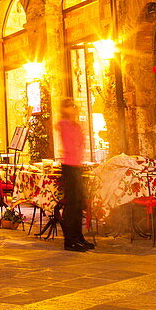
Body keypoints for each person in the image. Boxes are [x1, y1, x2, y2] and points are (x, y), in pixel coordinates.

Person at [56, 97, 94, 252]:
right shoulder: (63, 124)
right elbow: (71, 145)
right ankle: (69, 240)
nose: (73, 108)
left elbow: (81, 143)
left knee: (79, 203)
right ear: (64, 109)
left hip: (77, 166)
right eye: (69, 106)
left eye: (73, 105)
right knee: (72, 204)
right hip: (69, 166)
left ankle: (78, 237)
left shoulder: (76, 125)